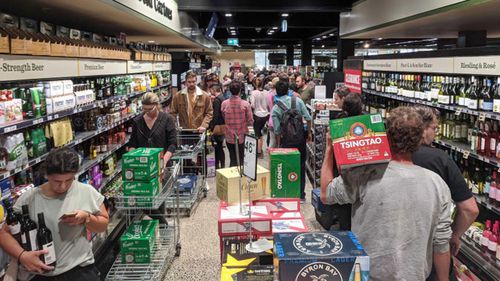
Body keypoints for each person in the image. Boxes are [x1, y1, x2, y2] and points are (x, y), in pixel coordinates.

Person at [321, 106, 452, 281]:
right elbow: (441, 244)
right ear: (421, 140)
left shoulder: (365, 173)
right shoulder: (438, 185)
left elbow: (326, 194)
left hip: (367, 275)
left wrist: (330, 149)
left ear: (386, 135)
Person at [0, 148, 109, 281]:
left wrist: (87, 218)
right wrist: (22, 256)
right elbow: (4, 234)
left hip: (79, 271)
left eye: (68, 180)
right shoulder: (29, 199)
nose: (63, 186)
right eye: (57, 181)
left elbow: (103, 225)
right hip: (39, 275)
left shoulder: (86, 192)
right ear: (47, 175)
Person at [412, 107, 479, 281]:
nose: (435, 133)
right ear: (422, 128)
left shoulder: (391, 154)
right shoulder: (440, 159)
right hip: (434, 250)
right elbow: (470, 209)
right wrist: (455, 234)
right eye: (434, 128)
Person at [128, 92, 177, 224]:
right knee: (144, 200)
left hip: (162, 167)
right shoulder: (137, 121)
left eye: (150, 109)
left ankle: (162, 231)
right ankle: (163, 224)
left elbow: (173, 144)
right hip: (142, 168)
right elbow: (132, 144)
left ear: (157, 105)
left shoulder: (167, 119)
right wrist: (131, 159)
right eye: (144, 109)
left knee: (159, 198)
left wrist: (164, 160)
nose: (147, 112)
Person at [272, 80, 312, 201]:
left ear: (276, 92)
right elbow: (308, 118)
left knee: (287, 166)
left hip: (286, 142)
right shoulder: (298, 101)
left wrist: (279, 144)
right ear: (288, 90)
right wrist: (308, 133)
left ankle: (288, 192)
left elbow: (277, 130)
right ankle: (301, 195)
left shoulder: (276, 108)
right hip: (300, 139)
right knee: (301, 166)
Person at [221, 81, 254, 167]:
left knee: (232, 158)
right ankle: (241, 177)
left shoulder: (224, 104)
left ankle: (232, 177)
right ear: (240, 91)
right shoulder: (245, 104)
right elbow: (250, 120)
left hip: (229, 136)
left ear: (229, 90)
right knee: (242, 157)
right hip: (242, 135)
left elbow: (223, 116)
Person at [249, 77, 269, 157]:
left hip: (257, 115)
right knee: (260, 133)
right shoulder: (267, 92)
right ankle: (260, 150)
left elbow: (252, 105)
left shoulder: (254, 93)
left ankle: (259, 151)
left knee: (257, 133)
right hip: (265, 115)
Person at [208, 83, 226, 169]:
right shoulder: (223, 98)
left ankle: (218, 165)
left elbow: (215, 115)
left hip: (218, 126)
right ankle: (221, 164)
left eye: (211, 90)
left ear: (214, 90)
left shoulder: (217, 100)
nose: (210, 92)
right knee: (220, 146)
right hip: (223, 125)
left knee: (218, 147)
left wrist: (212, 127)